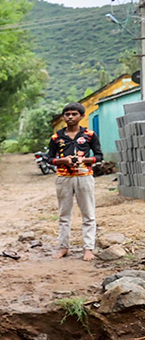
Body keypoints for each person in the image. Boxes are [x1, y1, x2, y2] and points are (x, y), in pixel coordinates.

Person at [44, 102, 102, 261]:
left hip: (84, 176)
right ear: (63, 117)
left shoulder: (89, 135)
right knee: (64, 214)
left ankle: (88, 249)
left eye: (74, 114)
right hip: (63, 178)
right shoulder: (56, 137)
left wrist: (85, 160)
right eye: (67, 114)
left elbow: (99, 156)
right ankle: (64, 247)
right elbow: (49, 158)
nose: (70, 117)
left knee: (88, 214)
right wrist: (63, 161)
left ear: (82, 116)